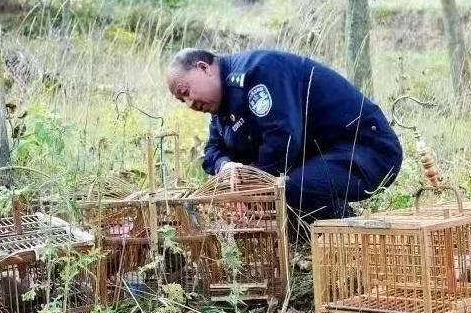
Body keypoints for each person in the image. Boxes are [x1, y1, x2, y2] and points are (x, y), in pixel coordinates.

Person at [166, 48, 402, 224]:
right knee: (281, 198)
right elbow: (212, 151)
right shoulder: (221, 111)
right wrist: (226, 166)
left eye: (186, 92)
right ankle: (313, 248)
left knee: (287, 189)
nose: (189, 103)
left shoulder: (257, 71)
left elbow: (283, 138)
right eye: (181, 100)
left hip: (366, 148)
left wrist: (252, 186)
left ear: (203, 68)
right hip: (321, 159)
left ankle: (350, 238)